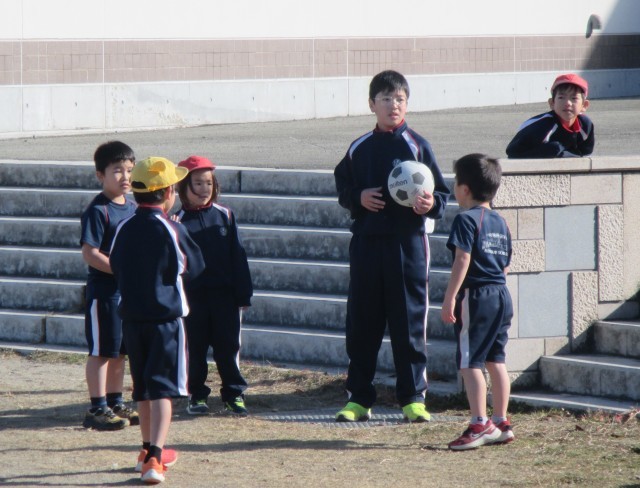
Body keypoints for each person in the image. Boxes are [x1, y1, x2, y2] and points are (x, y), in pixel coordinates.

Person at [333, 70, 450, 423]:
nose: (393, 105)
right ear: (372, 104)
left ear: (407, 105)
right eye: (385, 99)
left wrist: (430, 204)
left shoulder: (418, 146)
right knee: (362, 323)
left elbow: (442, 196)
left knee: (408, 322)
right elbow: (343, 188)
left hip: (407, 246)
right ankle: (358, 399)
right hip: (367, 245)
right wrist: (358, 197)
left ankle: (413, 398)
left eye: (399, 99)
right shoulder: (358, 148)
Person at [110, 157, 206, 484]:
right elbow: (193, 266)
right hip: (165, 321)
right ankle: (155, 456)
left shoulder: (123, 226)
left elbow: (116, 264)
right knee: (163, 389)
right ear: (167, 193)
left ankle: (145, 450)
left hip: (132, 320)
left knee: (143, 388)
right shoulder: (172, 227)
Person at [440, 153, 515, 451]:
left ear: (465, 189)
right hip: (501, 294)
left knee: (469, 361)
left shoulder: (466, 219)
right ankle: (501, 422)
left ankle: (479, 424)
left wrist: (450, 298)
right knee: (496, 359)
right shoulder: (501, 222)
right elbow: (505, 264)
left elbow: (463, 259)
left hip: (477, 295)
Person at [175, 155, 253, 416]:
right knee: (195, 349)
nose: (204, 189)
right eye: (198, 183)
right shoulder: (176, 221)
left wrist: (243, 293)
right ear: (183, 186)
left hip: (225, 297)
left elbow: (238, 257)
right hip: (192, 299)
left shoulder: (225, 215)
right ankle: (196, 394)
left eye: (209, 183)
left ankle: (234, 393)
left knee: (228, 347)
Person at [80, 140, 139, 431]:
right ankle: (97, 407)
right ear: (100, 175)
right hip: (104, 293)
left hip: (127, 293)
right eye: (117, 170)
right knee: (102, 351)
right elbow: (90, 253)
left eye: (129, 170)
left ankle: (116, 402)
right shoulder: (98, 210)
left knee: (119, 351)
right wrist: (120, 270)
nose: (125, 176)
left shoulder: (133, 207)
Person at [506, 73, 594, 158]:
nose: (567, 103)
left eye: (574, 98)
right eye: (561, 97)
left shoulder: (585, 125)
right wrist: (548, 152)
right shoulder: (542, 126)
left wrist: (560, 153)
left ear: (584, 105)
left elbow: (585, 153)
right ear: (552, 103)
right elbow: (512, 152)